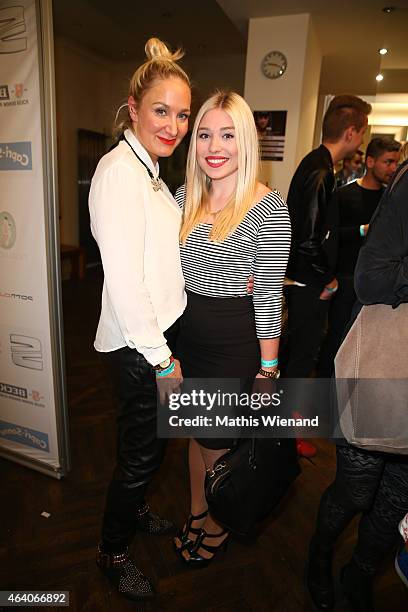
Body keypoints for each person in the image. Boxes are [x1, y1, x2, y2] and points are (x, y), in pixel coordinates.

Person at [88, 38, 191, 601]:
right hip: (138, 345)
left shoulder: (148, 168)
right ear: (133, 107)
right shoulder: (118, 174)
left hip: (154, 336)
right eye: (161, 111)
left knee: (149, 445)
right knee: (138, 454)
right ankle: (111, 550)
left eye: (181, 114)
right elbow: (125, 282)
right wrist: (163, 358)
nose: (173, 125)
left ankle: (138, 506)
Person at [173, 91, 292, 566]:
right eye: (204, 134)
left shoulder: (266, 206)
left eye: (227, 134)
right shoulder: (184, 197)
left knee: (217, 447)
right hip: (190, 337)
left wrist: (269, 370)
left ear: (245, 141)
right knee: (192, 436)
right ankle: (198, 514)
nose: (213, 146)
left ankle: (219, 526)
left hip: (234, 343)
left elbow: (267, 294)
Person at [306, 157, 408, 612]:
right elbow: (371, 279)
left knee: (396, 501)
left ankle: (360, 573)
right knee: (356, 490)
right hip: (381, 362)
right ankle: (318, 559)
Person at [284, 94, 371, 458]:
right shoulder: (319, 171)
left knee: (296, 359)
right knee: (298, 361)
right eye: (362, 132)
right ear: (351, 132)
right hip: (308, 286)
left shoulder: (320, 165)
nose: (362, 139)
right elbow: (306, 239)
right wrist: (328, 280)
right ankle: (282, 439)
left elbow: (322, 231)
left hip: (307, 282)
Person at [317, 136, 400, 376]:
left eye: (396, 163)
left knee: (365, 350)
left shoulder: (390, 200)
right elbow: (328, 237)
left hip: (375, 286)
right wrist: (361, 231)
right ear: (371, 161)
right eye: (388, 162)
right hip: (344, 281)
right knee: (335, 343)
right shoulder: (343, 196)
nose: (393, 168)